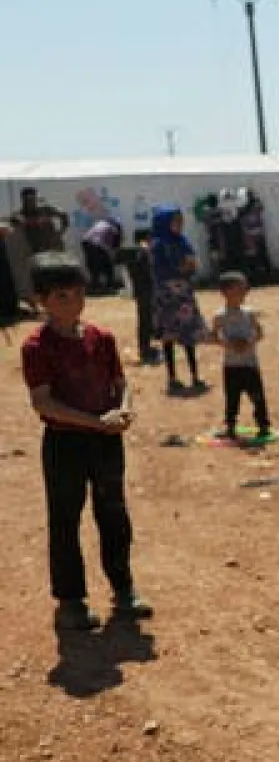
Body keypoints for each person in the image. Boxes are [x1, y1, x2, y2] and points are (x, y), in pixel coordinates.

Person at [21, 253, 152, 631]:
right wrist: (95, 421)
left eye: (79, 293)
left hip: (106, 442)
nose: (73, 302)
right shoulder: (37, 346)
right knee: (65, 519)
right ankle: (71, 601)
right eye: (62, 296)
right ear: (41, 300)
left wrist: (124, 410)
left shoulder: (102, 339)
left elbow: (121, 384)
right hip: (65, 444)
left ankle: (123, 590)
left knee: (114, 515)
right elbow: (43, 402)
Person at [149, 205, 209, 395]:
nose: (180, 224)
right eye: (176, 221)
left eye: (181, 220)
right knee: (169, 336)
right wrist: (180, 269)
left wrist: (189, 267)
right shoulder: (158, 245)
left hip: (183, 294)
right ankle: (172, 377)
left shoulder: (182, 241)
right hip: (167, 296)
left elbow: (191, 262)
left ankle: (195, 375)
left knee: (188, 333)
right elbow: (159, 270)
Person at [208, 271, 272, 441]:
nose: (244, 292)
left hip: (250, 363)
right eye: (240, 289)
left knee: (257, 396)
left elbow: (260, 333)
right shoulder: (219, 316)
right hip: (231, 364)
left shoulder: (249, 313)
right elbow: (213, 336)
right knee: (232, 397)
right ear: (226, 292)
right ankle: (230, 425)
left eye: (245, 289)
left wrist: (248, 343)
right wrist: (229, 344)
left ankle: (263, 425)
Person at [120, 229, 161, 365]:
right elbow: (150, 271)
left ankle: (146, 348)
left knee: (145, 319)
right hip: (147, 289)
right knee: (146, 319)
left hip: (140, 290)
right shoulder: (144, 252)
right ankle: (146, 349)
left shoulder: (133, 253)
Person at [9, 187, 70, 254]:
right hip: (35, 250)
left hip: (54, 246)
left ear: (36, 199)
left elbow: (64, 216)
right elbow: (12, 223)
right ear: (23, 200)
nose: (30, 203)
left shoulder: (46, 209)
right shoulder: (19, 214)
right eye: (27, 200)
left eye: (32, 199)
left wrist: (59, 234)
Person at [81, 216, 123, 293]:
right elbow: (114, 247)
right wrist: (114, 257)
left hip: (86, 242)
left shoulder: (100, 223)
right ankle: (109, 285)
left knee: (93, 265)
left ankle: (95, 285)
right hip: (97, 244)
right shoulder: (114, 229)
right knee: (107, 266)